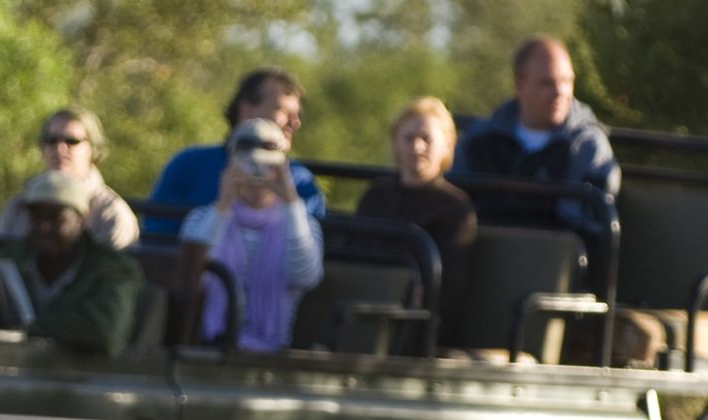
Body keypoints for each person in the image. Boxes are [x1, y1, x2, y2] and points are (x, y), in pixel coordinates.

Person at [175, 118, 324, 351]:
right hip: (206, 345)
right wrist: (223, 205)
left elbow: (306, 276)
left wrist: (290, 201)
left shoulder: (302, 223)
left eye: (267, 164)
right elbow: (191, 273)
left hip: (272, 350)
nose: (256, 172)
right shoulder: (201, 217)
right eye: (248, 163)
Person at [455, 36, 619, 242]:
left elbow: (584, 228)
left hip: (552, 257)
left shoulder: (587, 147)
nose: (560, 92)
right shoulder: (478, 141)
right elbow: (454, 212)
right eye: (547, 83)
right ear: (520, 84)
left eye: (567, 81)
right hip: (482, 253)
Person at [143, 67, 325, 239]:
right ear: (246, 110)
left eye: (296, 114)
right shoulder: (189, 164)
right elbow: (157, 236)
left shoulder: (300, 180)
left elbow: (313, 245)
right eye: (283, 110)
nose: (295, 123)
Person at [0, 169, 147, 357]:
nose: (44, 227)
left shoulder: (113, 269)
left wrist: (31, 328)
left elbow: (104, 329)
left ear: (81, 220)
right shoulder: (9, 259)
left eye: (57, 218)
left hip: (86, 371)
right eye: (36, 217)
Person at [355, 97, 477, 335]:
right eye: (408, 138)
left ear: (447, 145)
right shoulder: (376, 196)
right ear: (395, 142)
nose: (417, 147)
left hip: (419, 323)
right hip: (364, 306)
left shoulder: (455, 207)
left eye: (426, 139)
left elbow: (450, 288)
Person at [0, 108, 140, 250]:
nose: (60, 148)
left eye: (71, 141)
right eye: (51, 140)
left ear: (93, 149)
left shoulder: (112, 214)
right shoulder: (19, 206)